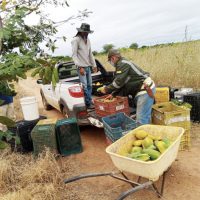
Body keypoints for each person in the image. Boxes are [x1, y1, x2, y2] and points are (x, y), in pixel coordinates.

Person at [98, 49, 156, 124]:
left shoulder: (122, 64)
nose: (111, 62)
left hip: (145, 90)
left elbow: (118, 83)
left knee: (141, 119)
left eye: (110, 60)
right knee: (144, 116)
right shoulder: (122, 63)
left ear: (113, 58)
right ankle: (146, 131)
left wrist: (106, 89)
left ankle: (143, 134)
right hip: (141, 90)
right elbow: (123, 84)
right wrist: (113, 94)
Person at [71, 23, 97, 109]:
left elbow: (90, 53)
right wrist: (79, 67)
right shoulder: (76, 40)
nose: (86, 33)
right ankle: (88, 103)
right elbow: (74, 55)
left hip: (88, 66)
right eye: (85, 32)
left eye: (87, 32)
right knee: (85, 86)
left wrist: (94, 65)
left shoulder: (88, 40)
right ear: (81, 31)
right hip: (81, 67)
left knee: (90, 85)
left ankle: (88, 101)